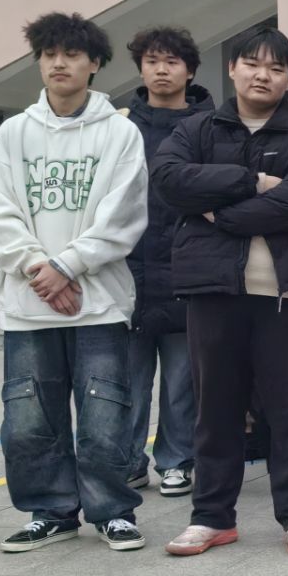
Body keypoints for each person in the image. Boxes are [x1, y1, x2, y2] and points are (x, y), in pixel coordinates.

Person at [150, 28, 288, 557]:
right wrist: (254, 181)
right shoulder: (196, 128)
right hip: (213, 290)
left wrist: (217, 212)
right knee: (216, 408)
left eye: (276, 69)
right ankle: (211, 518)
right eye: (252, 64)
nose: (262, 75)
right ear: (231, 68)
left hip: (285, 294)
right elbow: (170, 180)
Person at [0, 13, 149, 554]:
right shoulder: (13, 133)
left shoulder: (120, 133)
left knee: (105, 413)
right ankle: (50, 511)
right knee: (27, 417)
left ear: (94, 63)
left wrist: (68, 267)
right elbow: (0, 214)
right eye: (50, 53)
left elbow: (123, 217)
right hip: (27, 303)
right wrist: (41, 270)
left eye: (72, 54)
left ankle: (112, 511)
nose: (60, 63)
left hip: (98, 302)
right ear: (39, 60)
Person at [122, 25, 212, 499]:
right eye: (152, 61)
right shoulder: (120, 127)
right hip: (128, 272)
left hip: (186, 272)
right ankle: (128, 462)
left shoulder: (210, 126)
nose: (161, 70)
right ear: (140, 69)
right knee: (127, 382)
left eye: (172, 62)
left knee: (182, 381)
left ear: (190, 71)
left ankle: (176, 461)